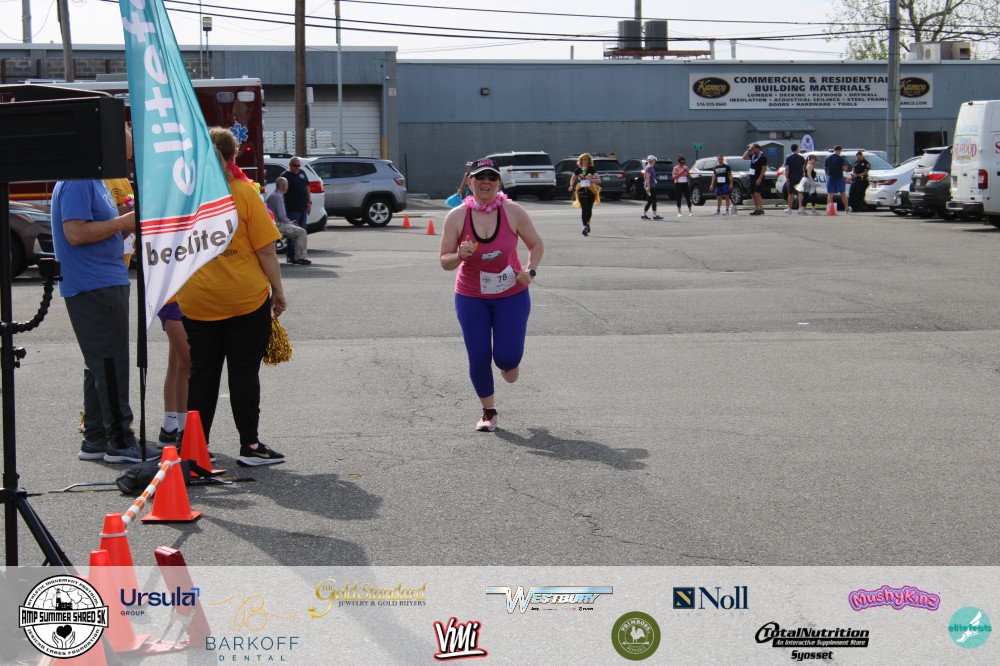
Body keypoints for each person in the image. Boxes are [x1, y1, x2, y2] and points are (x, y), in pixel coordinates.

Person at [176, 127, 288, 466]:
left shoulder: (185, 197)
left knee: (202, 375)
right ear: (233, 155)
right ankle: (250, 446)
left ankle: (195, 448)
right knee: (243, 374)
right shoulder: (244, 193)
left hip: (197, 299)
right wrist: (278, 290)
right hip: (245, 299)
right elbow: (266, 250)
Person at [51, 161, 158, 463]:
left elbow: (94, 229)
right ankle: (120, 440)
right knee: (111, 364)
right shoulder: (79, 179)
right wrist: (123, 222)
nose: (123, 159)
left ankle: (96, 438)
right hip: (94, 283)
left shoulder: (91, 179)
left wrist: (123, 222)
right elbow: (75, 232)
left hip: (101, 281)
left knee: (100, 364)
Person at [439, 158, 544, 432]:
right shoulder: (457, 216)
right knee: (478, 354)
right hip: (471, 296)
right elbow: (444, 261)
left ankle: (509, 362)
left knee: (507, 362)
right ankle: (489, 412)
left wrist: (530, 271)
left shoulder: (513, 212)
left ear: (499, 183)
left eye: (492, 177)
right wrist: (458, 256)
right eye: (480, 177)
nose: (486, 182)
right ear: (470, 181)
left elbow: (536, 244)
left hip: (511, 294)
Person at [156, 299, 191, 445]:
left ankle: (170, 428)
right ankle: (184, 431)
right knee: (187, 361)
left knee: (177, 362)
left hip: (187, 297)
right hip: (174, 300)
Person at [267, 177, 312, 265]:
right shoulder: (277, 197)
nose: (288, 187)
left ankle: (293, 256)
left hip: (273, 223)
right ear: (283, 185)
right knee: (302, 232)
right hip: (276, 224)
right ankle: (300, 257)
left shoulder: (275, 195)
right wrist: (290, 223)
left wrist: (290, 223)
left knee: (296, 231)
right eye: (287, 185)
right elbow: (281, 216)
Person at [569, 153, 601, 236]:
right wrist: (571, 186)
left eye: (586, 159)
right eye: (583, 159)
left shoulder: (591, 169)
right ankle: (585, 227)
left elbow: (598, 180)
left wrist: (591, 179)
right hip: (581, 190)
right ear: (580, 161)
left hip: (591, 190)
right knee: (584, 209)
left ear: (589, 161)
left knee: (589, 209)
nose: (585, 161)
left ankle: (587, 224)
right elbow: (573, 178)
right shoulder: (578, 169)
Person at [279, 155, 311, 232]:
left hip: (303, 207)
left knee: (303, 230)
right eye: (295, 166)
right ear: (290, 165)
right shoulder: (285, 176)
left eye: (299, 166)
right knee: (293, 231)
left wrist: (309, 203)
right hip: (292, 209)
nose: (297, 168)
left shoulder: (302, 172)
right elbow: (281, 192)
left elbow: (307, 187)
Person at [743, 143, 768, 215]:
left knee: (757, 193)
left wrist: (759, 178)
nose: (752, 150)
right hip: (752, 177)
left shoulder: (762, 158)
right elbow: (744, 157)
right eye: (752, 149)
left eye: (753, 149)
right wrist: (748, 150)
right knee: (753, 193)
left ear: (758, 149)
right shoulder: (753, 156)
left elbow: (764, 169)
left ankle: (761, 209)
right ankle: (756, 208)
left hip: (758, 177)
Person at [825, 146, 850, 214]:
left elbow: (826, 168)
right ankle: (846, 208)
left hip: (831, 177)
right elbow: (845, 168)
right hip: (839, 177)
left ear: (834, 150)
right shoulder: (841, 158)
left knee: (830, 194)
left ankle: (829, 210)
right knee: (842, 193)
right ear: (840, 150)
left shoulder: (828, 158)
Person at [783, 144, 806, 214]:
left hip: (791, 177)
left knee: (790, 193)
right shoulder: (801, 158)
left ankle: (789, 209)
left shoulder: (788, 158)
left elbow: (787, 169)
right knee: (800, 193)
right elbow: (804, 168)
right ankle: (800, 208)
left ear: (791, 149)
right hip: (800, 177)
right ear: (797, 149)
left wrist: (787, 177)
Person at [641, 155, 663, 220]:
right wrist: (648, 187)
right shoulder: (649, 168)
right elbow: (648, 178)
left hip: (651, 186)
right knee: (653, 201)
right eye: (654, 160)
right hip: (651, 187)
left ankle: (643, 215)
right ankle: (654, 215)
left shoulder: (648, 167)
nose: (655, 161)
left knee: (650, 201)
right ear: (652, 160)